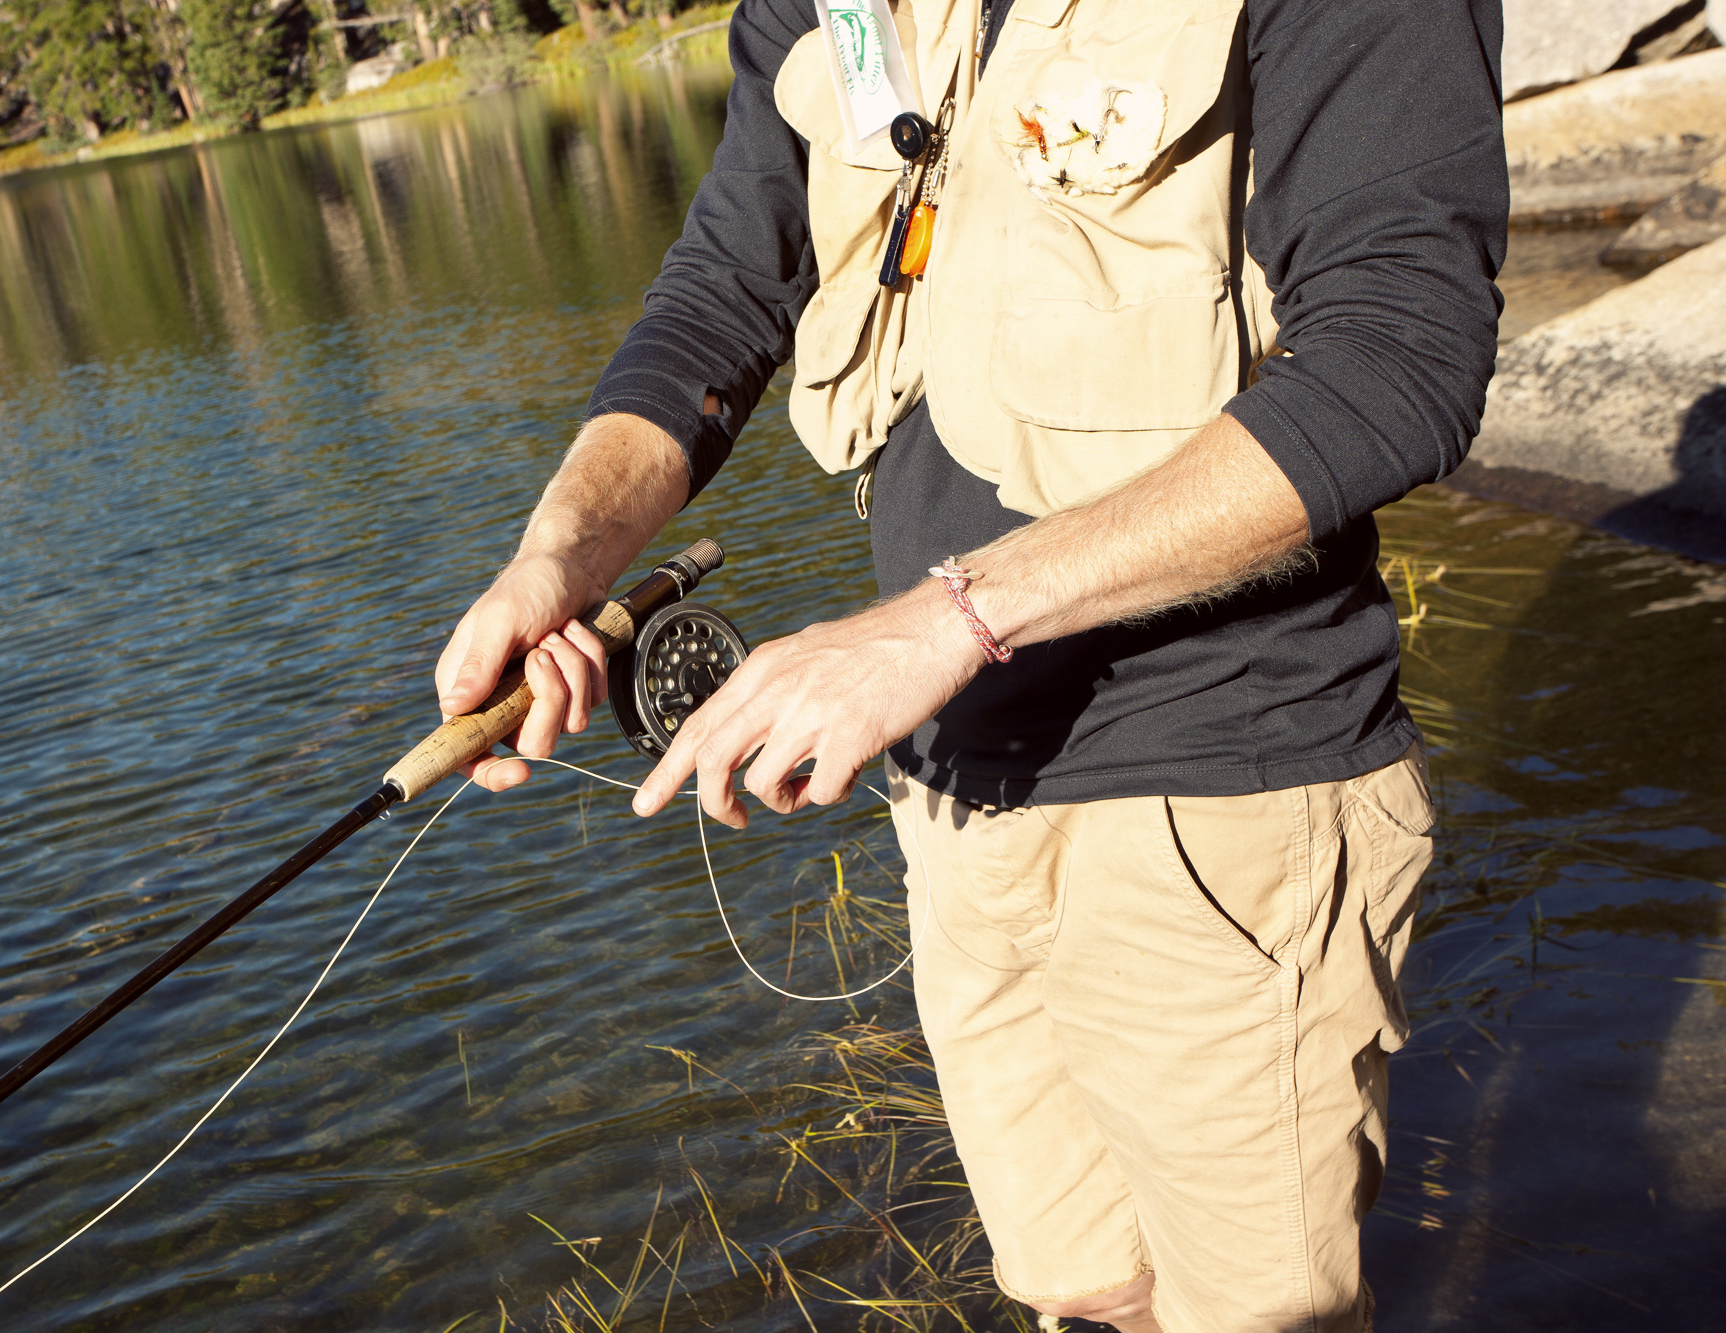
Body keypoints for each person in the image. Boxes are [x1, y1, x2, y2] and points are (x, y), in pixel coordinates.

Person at [432, 0, 1506, 1326]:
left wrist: (951, 619)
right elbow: (722, 290)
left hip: (1223, 778)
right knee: (1088, 1288)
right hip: (956, 796)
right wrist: (562, 554)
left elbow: (1404, 355)